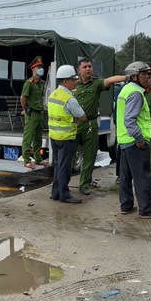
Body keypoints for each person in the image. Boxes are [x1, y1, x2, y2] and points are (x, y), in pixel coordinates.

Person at [116, 61, 151, 218]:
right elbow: (129, 120)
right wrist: (139, 138)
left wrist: (146, 121)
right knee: (142, 176)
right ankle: (146, 209)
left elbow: (128, 116)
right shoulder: (136, 93)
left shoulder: (126, 90)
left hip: (124, 140)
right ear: (133, 76)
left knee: (125, 176)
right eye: (144, 74)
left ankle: (126, 205)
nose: (148, 77)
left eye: (149, 74)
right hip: (134, 142)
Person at [73, 58, 127, 195]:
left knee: (89, 156)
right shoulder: (73, 85)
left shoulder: (96, 84)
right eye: (85, 67)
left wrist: (127, 77)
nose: (88, 69)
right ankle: (62, 184)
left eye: (90, 66)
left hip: (90, 124)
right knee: (69, 156)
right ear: (78, 70)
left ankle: (84, 184)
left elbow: (110, 80)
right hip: (74, 125)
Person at [48, 65, 87, 204]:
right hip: (66, 138)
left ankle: (56, 192)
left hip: (54, 136)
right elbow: (82, 116)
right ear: (65, 82)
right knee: (64, 167)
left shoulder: (52, 95)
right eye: (73, 79)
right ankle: (65, 195)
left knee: (58, 166)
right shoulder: (69, 99)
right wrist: (77, 119)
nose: (76, 81)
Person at [20, 56, 48, 169]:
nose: (41, 69)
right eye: (39, 67)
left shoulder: (41, 83)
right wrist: (25, 109)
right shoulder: (29, 83)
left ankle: (38, 158)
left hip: (40, 113)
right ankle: (26, 159)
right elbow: (23, 98)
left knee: (38, 137)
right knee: (28, 137)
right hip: (31, 114)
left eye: (41, 66)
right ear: (33, 69)